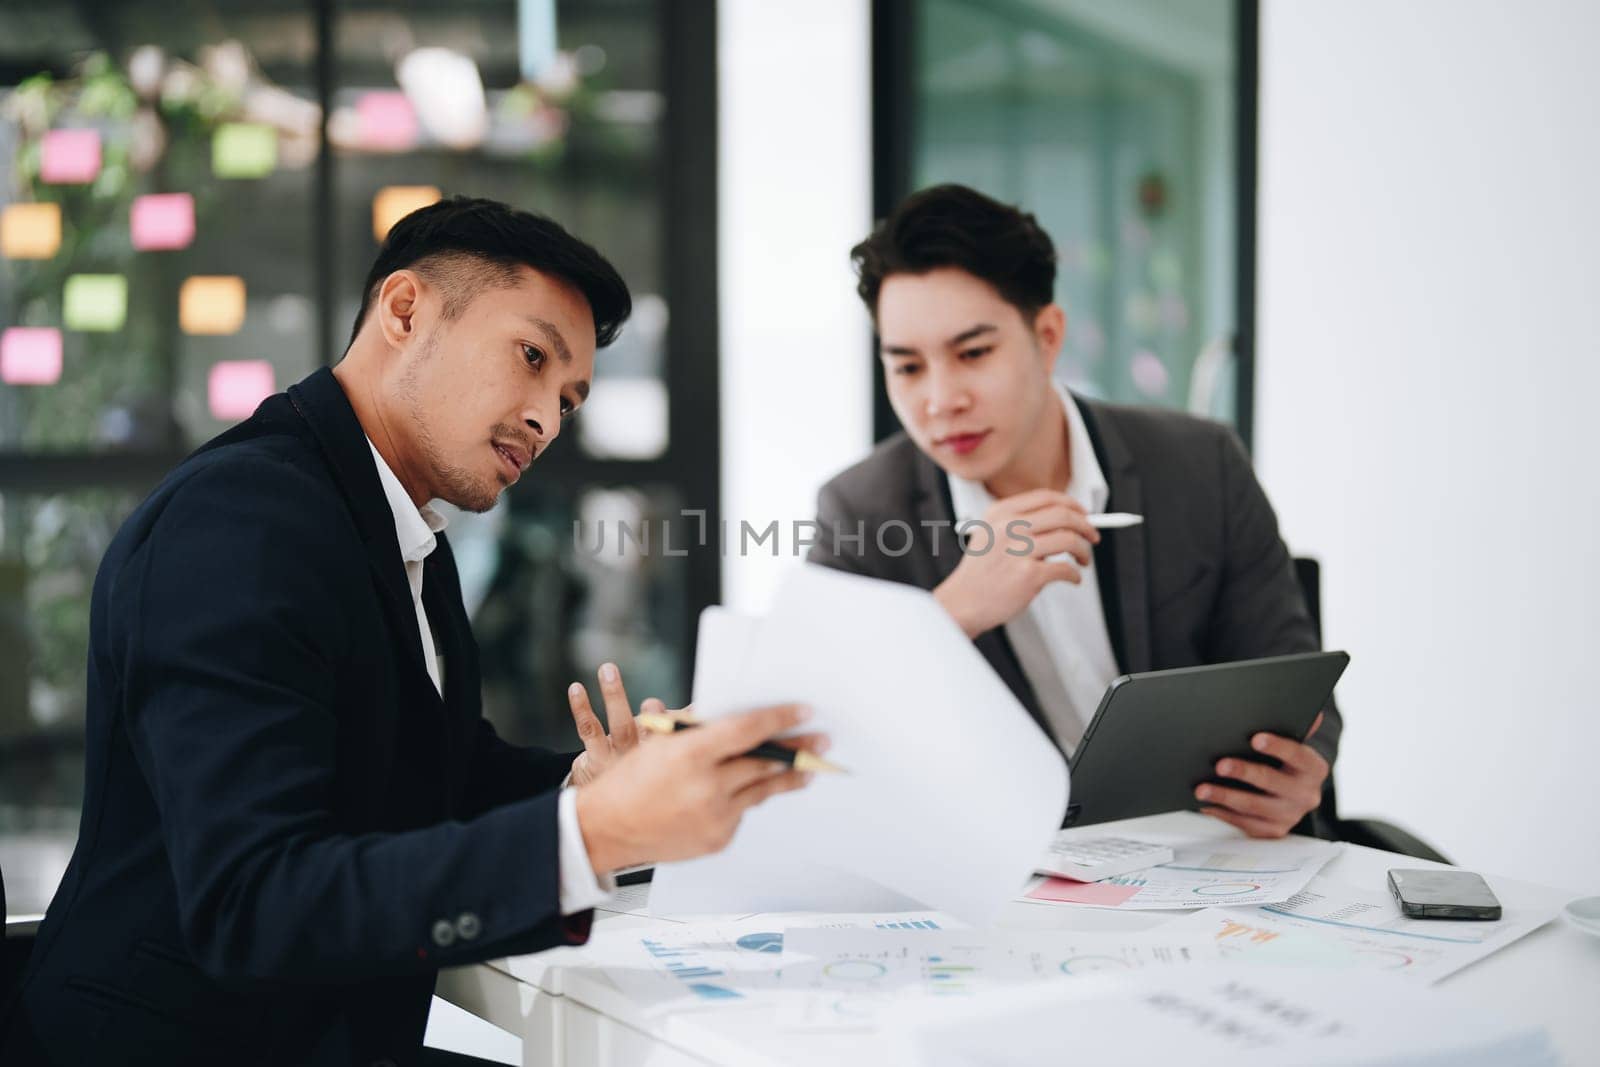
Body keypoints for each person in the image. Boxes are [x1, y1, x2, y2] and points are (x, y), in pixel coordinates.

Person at [2, 197, 820, 1067]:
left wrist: (589, 786)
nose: (547, 418)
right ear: (404, 310)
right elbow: (254, 900)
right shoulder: (241, 523)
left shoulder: (401, 534)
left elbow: (442, 772)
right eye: (532, 357)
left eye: (569, 399)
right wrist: (593, 835)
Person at [808, 184, 1335, 840]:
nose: (941, 399)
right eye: (908, 367)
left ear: (1048, 335)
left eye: (973, 354)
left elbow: (1291, 678)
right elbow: (820, 728)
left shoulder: (1201, 465)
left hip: (1213, 857)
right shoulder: (859, 510)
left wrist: (1302, 771)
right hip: (1006, 880)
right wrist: (952, 611)